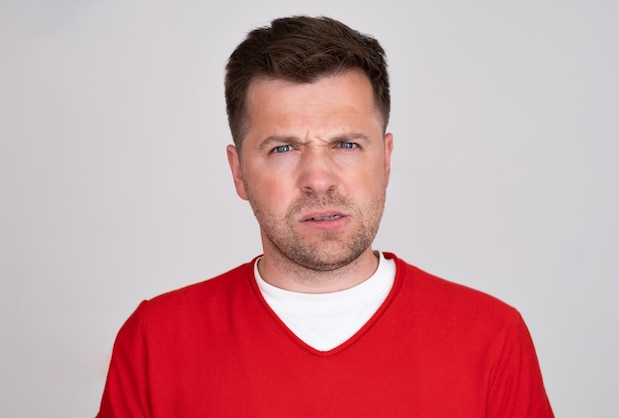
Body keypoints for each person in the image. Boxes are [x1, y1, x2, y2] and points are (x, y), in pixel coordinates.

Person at [97, 15, 554, 417]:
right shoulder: (156, 340)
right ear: (238, 173)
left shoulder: (491, 337)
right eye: (283, 148)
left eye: (346, 145)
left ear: (386, 160)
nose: (318, 179)